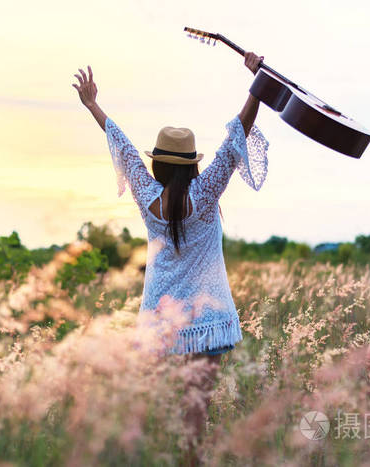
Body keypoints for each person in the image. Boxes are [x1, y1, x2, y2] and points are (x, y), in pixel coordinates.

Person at [72, 51, 268, 465]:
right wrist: (258, 84)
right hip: (207, 321)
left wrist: (92, 104)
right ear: (192, 165)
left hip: (161, 320)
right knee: (194, 421)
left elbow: (123, 146)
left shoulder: (148, 196)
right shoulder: (207, 191)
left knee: (159, 419)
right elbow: (236, 139)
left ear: (158, 164)